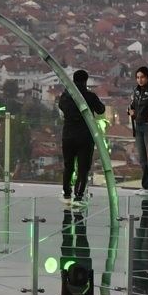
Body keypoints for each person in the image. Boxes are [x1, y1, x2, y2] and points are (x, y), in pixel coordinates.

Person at [57, 69, 106, 207]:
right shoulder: (90, 96)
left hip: (68, 136)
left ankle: (66, 193)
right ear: (85, 81)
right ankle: (79, 196)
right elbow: (101, 109)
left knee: (69, 166)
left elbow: (61, 107)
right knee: (83, 168)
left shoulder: (66, 96)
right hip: (85, 136)